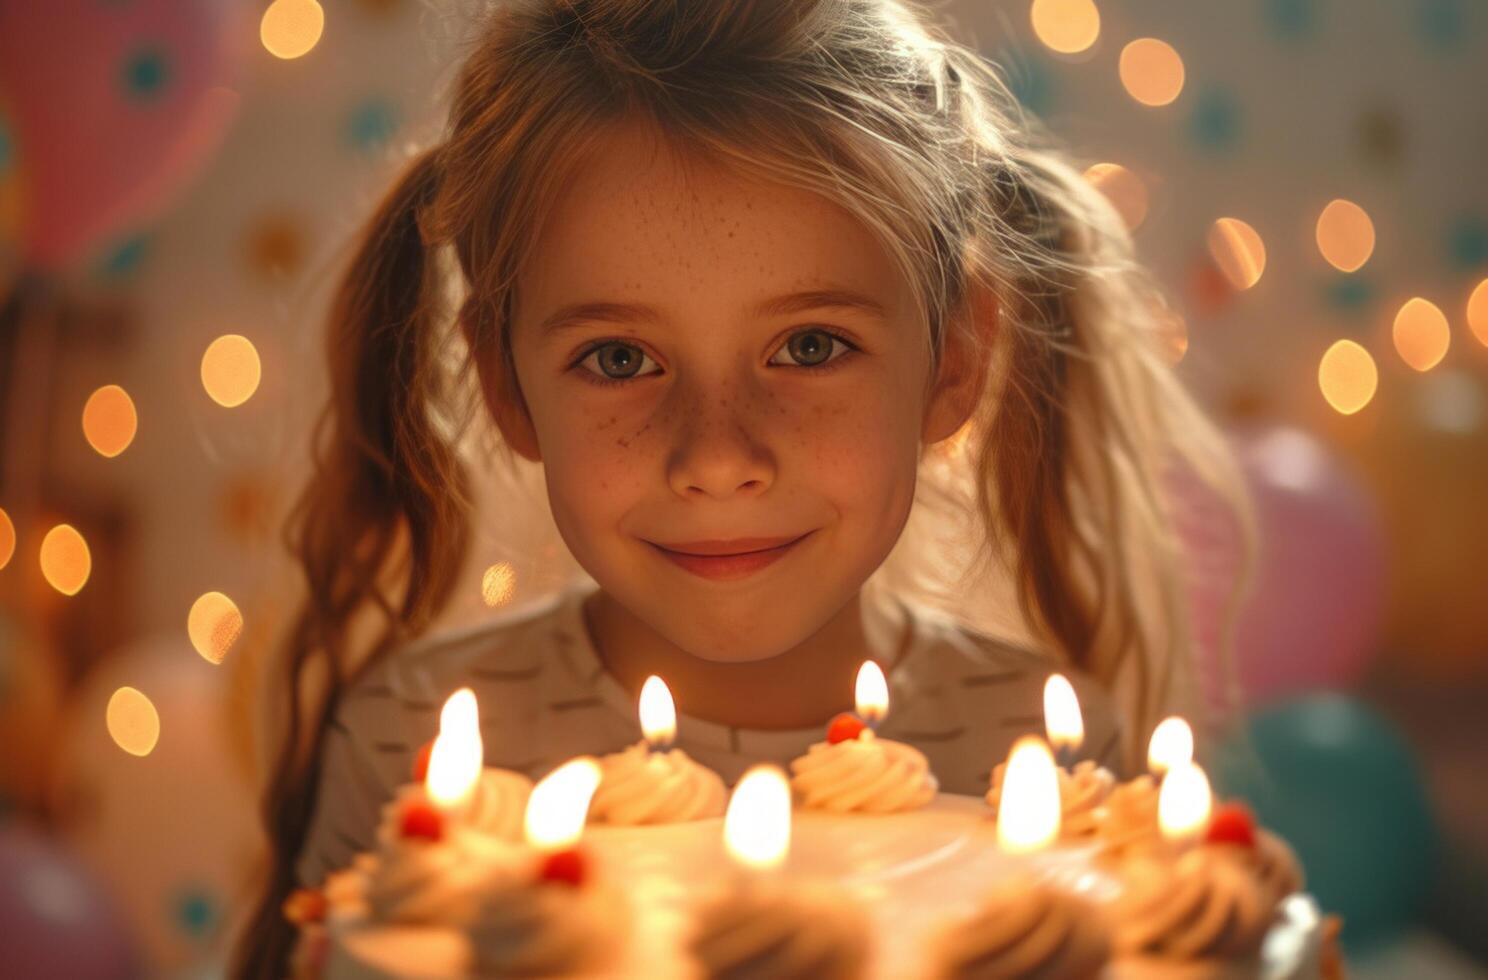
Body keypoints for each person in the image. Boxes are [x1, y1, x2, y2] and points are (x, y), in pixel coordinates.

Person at [231, 1, 1255, 976]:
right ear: (505, 384)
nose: (717, 457)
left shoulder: (1052, 755)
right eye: (621, 358)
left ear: (954, 359)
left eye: (810, 346)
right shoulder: (408, 753)